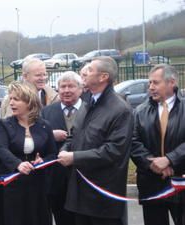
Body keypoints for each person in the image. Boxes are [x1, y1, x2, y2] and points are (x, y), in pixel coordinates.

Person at [58, 56, 134, 225]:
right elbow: (74, 135)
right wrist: (65, 148)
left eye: (90, 70)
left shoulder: (120, 110)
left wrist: (74, 157)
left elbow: (114, 151)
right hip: (79, 192)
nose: (84, 74)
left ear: (103, 77)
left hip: (103, 196)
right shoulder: (87, 103)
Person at [0, 81, 57, 225]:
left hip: (37, 186)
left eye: (16, 99)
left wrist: (43, 161)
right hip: (13, 184)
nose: (11, 103)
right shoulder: (4, 124)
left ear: (29, 102)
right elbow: (1, 149)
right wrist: (18, 164)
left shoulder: (44, 125)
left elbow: (52, 154)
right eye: (10, 99)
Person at [131, 64, 185, 225]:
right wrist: (153, 164)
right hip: (151, 183)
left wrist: (169, 159)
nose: (151, 87)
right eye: (149, 83)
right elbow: (133, 142)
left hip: (180, 181)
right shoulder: (140, 111)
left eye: (156, 83)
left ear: (172, 82)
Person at [42, 71, 83, 225]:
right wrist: (50, 135)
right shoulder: (47, 112)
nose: (66, 90)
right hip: (57, 178)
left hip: (82, 175)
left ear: (80, 89)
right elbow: (39, 139)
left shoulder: (89, 110)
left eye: (71, 86)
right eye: (62, 86)